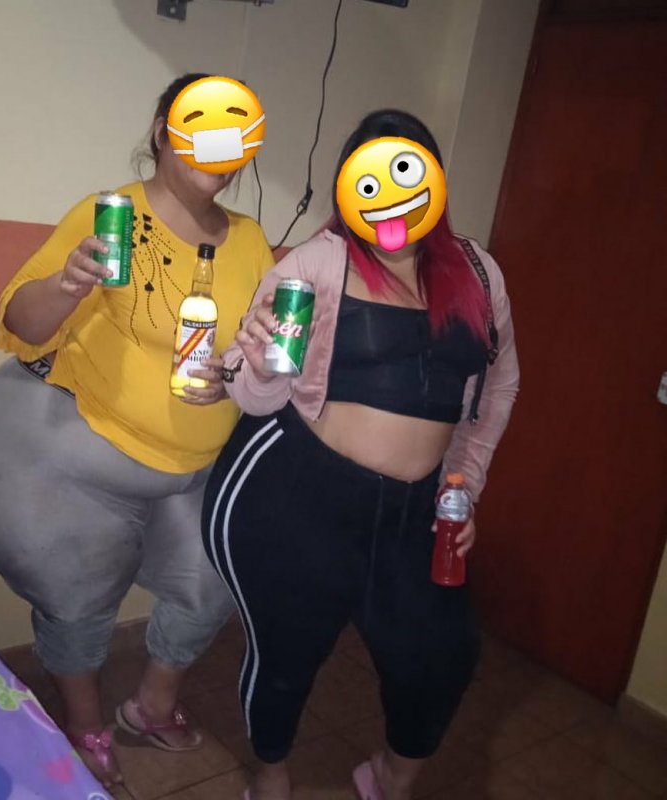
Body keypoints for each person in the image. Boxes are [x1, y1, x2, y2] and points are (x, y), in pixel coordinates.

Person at [0, 73, 274, 788]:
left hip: (194, 467)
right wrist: (69, 283)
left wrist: (239, 369)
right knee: (77, 602)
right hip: (84, 463)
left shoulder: (251, 239)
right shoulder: (111, 215)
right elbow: (21, 322)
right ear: (164, 132)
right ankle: (85, 725)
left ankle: (152, 706)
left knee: (212, 584)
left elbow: (257, 345)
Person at [201, 109, 519, 800]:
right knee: (287, 656)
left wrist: (463, 487)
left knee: (442, 655)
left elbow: (497, 387)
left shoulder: (477, 271)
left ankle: (390, 778)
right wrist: (257, 360)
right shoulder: (317, 263)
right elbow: (255, 395)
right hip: (303, 494)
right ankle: (270, 771)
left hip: (417, 511)